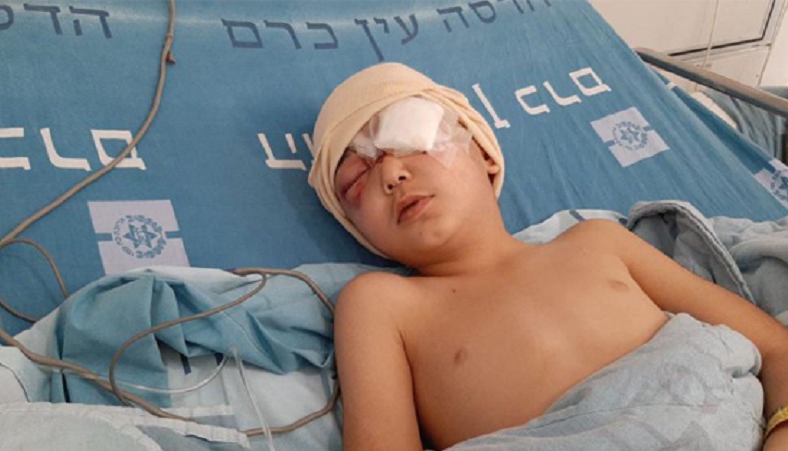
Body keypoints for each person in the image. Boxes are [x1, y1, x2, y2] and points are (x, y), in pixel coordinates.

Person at [307, 62, 788, 450]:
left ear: (485, 154)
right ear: (359, 230)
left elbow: (774, 347)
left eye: (412, 139)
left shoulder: (599, 242)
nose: (390, 173)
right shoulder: (380, 303)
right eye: (355, 180)